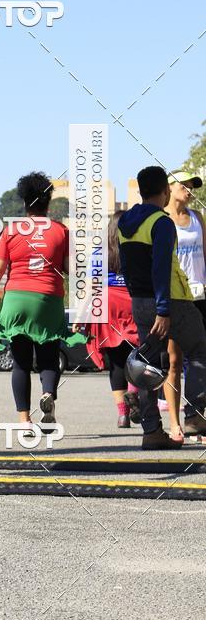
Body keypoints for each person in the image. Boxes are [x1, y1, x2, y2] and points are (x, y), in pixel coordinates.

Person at [118, 166, 206, 450]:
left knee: (148, 365)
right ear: (165, 191)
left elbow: (127, 265)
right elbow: (160, 267)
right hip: (170, 300)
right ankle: (195, 415)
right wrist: (164, 310)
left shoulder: (125, 223)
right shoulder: (162, 222)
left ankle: (152, 431)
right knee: (199, 350)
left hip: (139, 301)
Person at [0, 172, 68, 430]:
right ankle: (48, 393)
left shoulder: (10, 231)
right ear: (48, 202)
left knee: (21, 363)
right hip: (48, 300)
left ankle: (24, 421)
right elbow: (70, 267)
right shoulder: (61, 231)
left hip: (16, 299)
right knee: (49, 358)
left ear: (24, 202)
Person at [80, 213, 140, 428]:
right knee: (138, 355)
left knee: (116, 362)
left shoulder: (98, 254)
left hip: (106, 304)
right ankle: (134, 394)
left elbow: (91, 289)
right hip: (132, 301)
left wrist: (81, 316)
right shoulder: (137, 251)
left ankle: (122, 415)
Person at [161, 170, 206, 443]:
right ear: (169, 187)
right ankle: (175, 423)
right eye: (184, 185)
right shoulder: (162, 221)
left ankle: (195, 416)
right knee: (175, 362)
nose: (189, 190)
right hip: (177, 297)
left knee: (200, 360)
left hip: (201, 297)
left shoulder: (198, 218)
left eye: (192, 186)